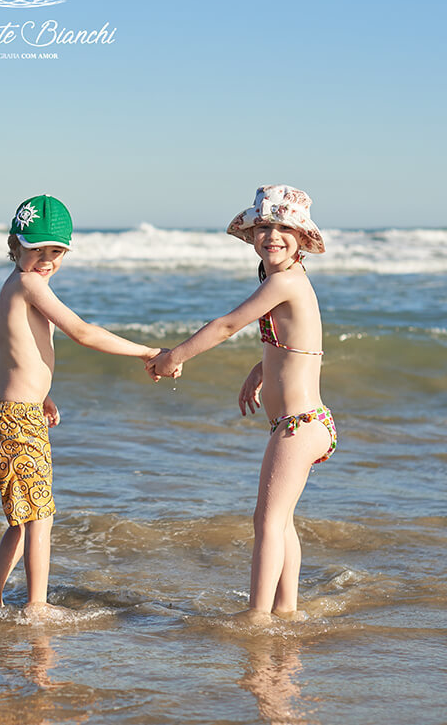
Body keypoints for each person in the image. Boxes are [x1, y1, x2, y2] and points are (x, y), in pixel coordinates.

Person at [0, 194, 168, 617]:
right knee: (40, 515)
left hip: (10, 412)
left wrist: (41, 393)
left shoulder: (12, 288)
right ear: (14, 245)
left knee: (27, 514)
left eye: (55, 251)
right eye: (35, 249)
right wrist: (146, 350)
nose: (45, 259)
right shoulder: (28, 285)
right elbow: (82, 332)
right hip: (16, 418)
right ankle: (36, 604)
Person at [147, 184, 336, 620]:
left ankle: (258, 615)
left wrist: (175, 356)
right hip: (306, 423)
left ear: (303, 238)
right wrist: (262, 368)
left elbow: (227, 324)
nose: (272, 236)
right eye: (264, 227)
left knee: (266, 522)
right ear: (252, 235)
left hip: (298, 424)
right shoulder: (286, 281)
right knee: (280, 520)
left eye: (284, 228)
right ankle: (286, 609)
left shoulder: (286, 281)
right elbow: (296, 343)